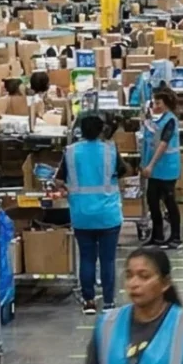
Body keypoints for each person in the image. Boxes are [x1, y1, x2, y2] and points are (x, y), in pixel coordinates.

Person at [65, 114, 123, 311]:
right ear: (101, 130)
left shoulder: (71, 152)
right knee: (107, 260)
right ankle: (108, 301)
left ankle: (89, 301)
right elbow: (124, 171)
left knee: (87, 258)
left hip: (81, 215)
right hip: (108, 215)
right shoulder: (110, 150)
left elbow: (58, 179)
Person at [141, 87, 183, 250]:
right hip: (155, 169)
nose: (155, 105)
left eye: (158, 102)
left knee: (169, 202)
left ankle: (175, 237)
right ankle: (157, 236)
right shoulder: (157, 121)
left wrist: (150, 165)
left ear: (166, 104)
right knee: (152, 201)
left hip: (167, 169)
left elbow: (164, 144)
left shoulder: (170, 120)